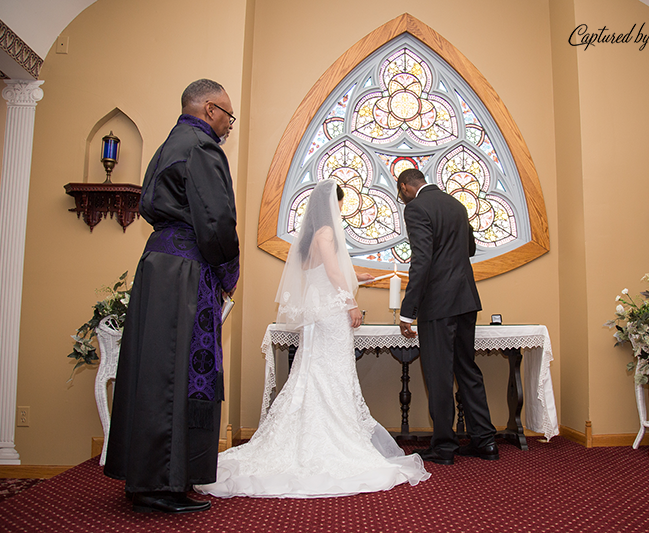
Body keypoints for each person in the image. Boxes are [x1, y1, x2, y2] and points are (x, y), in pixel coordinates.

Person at [195, 179, 430, 499]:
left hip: (315, 319)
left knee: (310, 374)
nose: (341, 210)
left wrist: (360, 274)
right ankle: (332, 439)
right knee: (332, 375)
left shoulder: (310, 239)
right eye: (340, 204)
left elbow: (326, 270)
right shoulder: (328, 233)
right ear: (330, 206)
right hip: (331, 316)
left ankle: (302, 436)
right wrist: (352, 303)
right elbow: (334, 274)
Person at [104, 79, 240, 514]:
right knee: (176, 371)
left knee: (154, 369)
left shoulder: (169, 143)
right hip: (186, 269)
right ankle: (162, 484)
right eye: (228, 116)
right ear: (209, 109)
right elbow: (216, 220)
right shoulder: (201, 146)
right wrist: (228, 270)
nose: (229, 126)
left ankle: (150, 477)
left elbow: (149, 206)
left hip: (158, 263)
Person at [396, 168, 497, 465]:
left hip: (438, 304)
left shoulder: (416, 208)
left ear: (405, 187)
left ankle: (443, 447)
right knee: (467, 369)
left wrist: (408, 310)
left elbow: (422, 259)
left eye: (400, 192)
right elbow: (470, 248)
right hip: (466, 299)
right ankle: (485, 441)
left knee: (439, 375)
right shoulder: (456, 204)